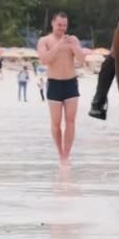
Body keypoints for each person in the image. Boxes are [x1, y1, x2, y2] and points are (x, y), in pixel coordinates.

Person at [37, 12, 85, 165]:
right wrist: (59, 45)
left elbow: (82, 60)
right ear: (52, 23)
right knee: (56, 123)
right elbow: (44, 60)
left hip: (70, 83)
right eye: (59, 25)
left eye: (64, 25)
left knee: (70, 121)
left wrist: (73, 46)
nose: (62, 28)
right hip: (54, 84)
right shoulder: (44, 40)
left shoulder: (73, 39)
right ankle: (60, 153)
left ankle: (66, 155)